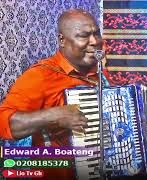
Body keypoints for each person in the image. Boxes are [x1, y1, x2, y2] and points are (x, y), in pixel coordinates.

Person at [0, 9, 109, 179]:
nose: (95, 41)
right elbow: (3, 122)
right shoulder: (40, 76)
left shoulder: (100, 74)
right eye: (83, 36)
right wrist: (53, 115)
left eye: (97, 33)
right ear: (62, 40)